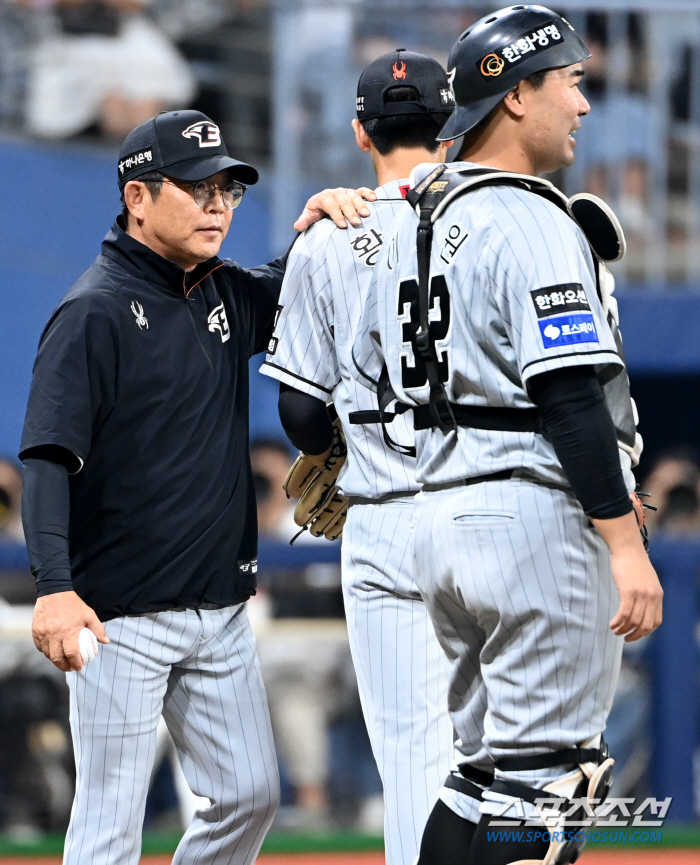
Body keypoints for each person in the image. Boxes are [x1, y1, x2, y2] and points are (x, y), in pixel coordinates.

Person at [18, 108, 372, 865]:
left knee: (251, 796)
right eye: (196, 188)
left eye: (228, 189)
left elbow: (290, 285)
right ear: (138, 198)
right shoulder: (92, 311)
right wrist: (54, 585)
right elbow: (47, 458)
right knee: (109, 825)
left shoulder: (220, 292)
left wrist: (318, 224)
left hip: (219, 610)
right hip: (120, 617)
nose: (218, 204)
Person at [352, 7, 663, 865]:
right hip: (529, 514)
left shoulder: (409, 219)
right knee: (556, 782)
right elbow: (567, 395)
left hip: (439, 510)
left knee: (480, 776)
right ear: (518, 94)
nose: (584, 103)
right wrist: (625, 544)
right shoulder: (531, 218)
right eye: (570, 80)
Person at [259, 51, 456, 865]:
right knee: (505, 743)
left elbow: (301, 410)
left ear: (358, 131)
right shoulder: (505, 218)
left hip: (382, 515)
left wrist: (338, 441)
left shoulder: (327, 235)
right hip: (490, 506)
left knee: (413, 751)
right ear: (451, 125)